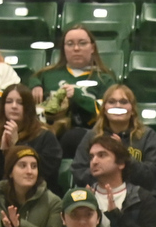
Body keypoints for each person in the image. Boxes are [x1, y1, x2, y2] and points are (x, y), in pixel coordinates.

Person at [82, 134, 156, 227]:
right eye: (92, 157)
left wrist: (116, 216)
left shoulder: (142, 199)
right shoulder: (82, 197)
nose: (94, 161)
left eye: (102, 155)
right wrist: (85, 214)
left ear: (121, 163)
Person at [32, 25, 116, 157]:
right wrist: (35, 85)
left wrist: (77, 96)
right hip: (47, 133)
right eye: (70, 44)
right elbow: (30, 82)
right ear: (64, 49)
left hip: (86, 135)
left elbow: (108, 110)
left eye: (82, 43)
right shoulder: (47, 75)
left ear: (92, 48)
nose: (76, 48)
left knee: (72, 137)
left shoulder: (104, 79)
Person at [71, 85, 156, 193]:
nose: (118, 106)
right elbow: (78, 173)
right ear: (104, 110)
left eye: (124, 102)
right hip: (100, 195)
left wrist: (123, 156)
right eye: (111, 102)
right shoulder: (92, 136)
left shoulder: (147, 135)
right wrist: (106, 172)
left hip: (139, 200)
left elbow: (151, 177)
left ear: (133, 110)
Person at [0, 85, 61, 193]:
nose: (14, 106)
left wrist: (14, 148)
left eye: (20, 102)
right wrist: (1, 152)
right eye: (9, 102)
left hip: (34, 196)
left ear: (28, 107)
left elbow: (47, 173)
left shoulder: (45, 136)